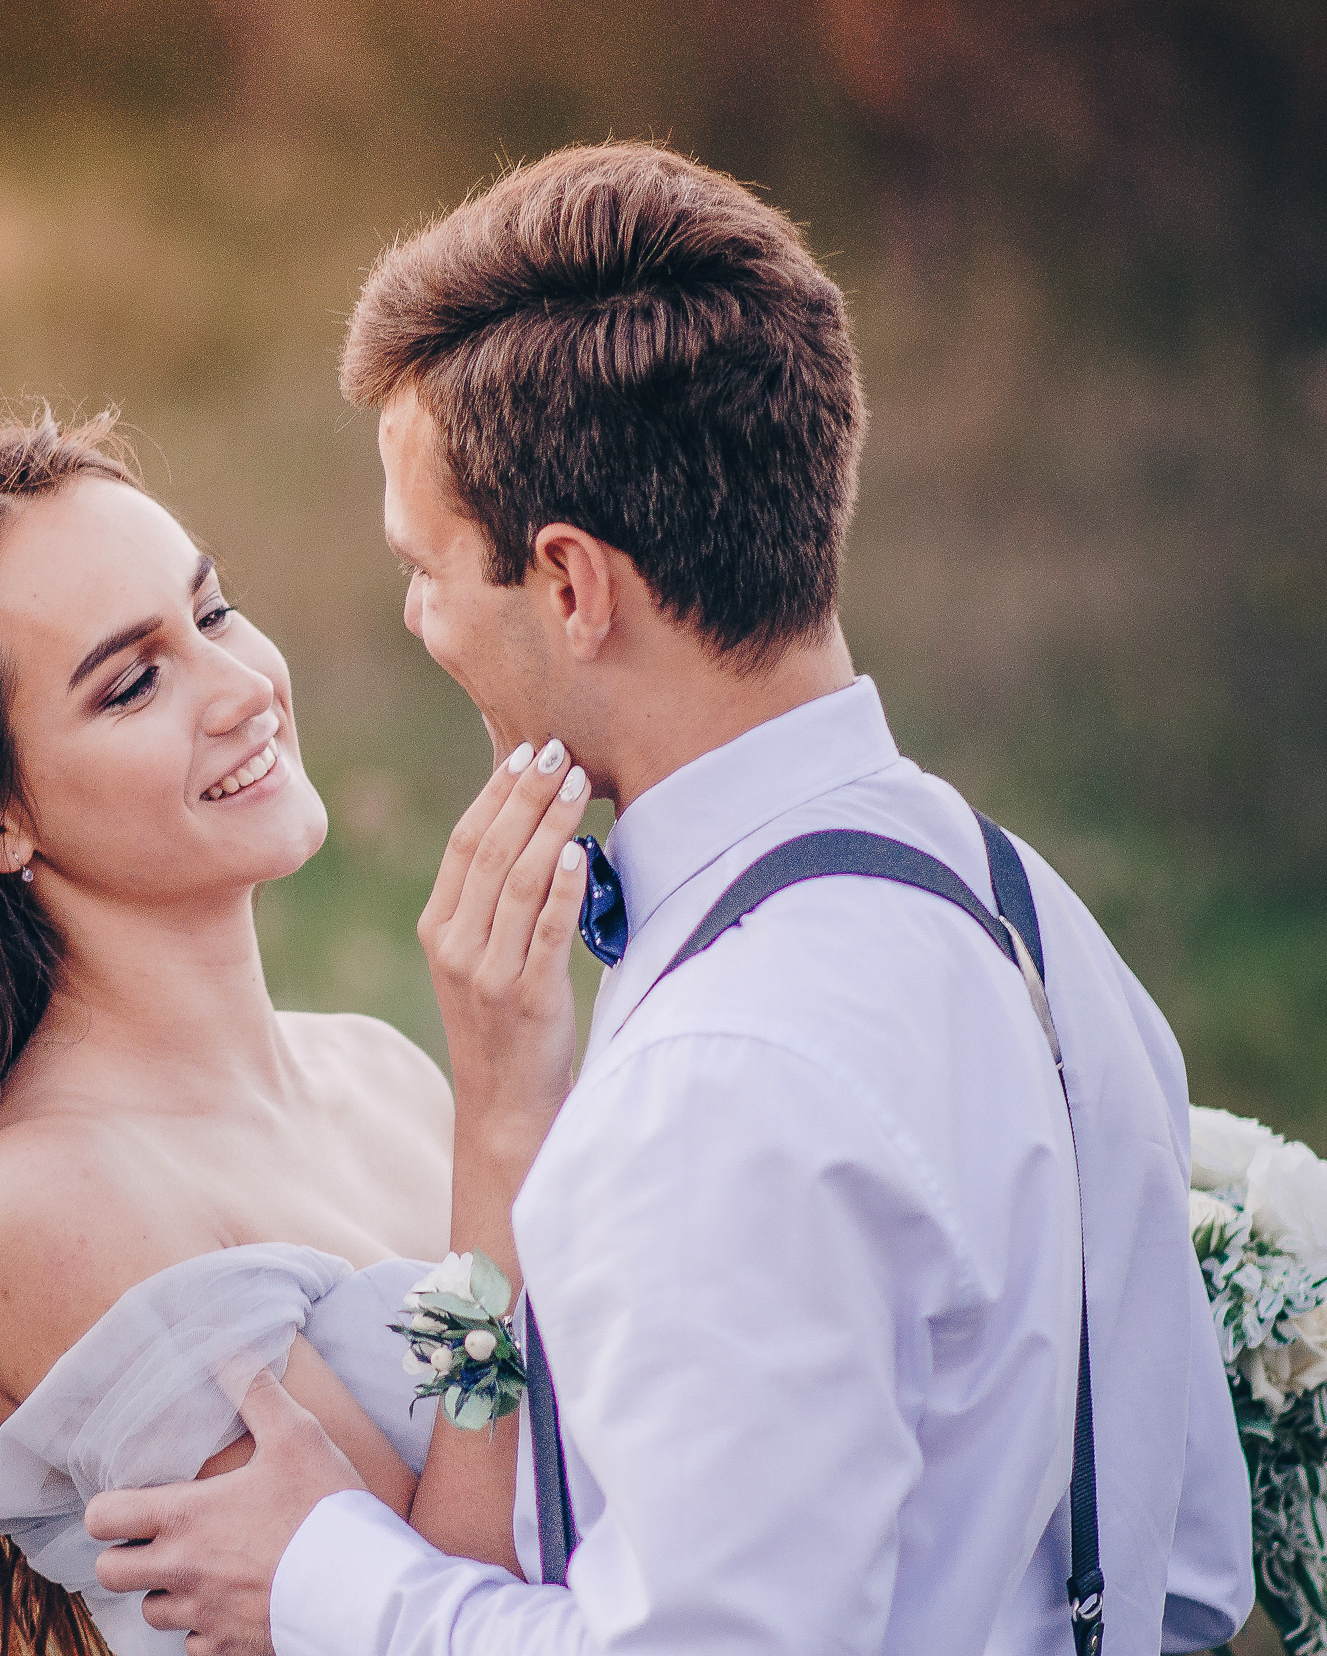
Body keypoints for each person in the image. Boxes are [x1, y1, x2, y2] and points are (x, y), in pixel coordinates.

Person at [83, 143, 1257, 1654]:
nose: (414, 618)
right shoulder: (1030, 917)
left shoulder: (723, 1080)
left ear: (572, 586)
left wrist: (322, 1577)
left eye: (427, 569)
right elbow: (1190, 1571)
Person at [0, 415, 579, 1656]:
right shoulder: (51, 1201)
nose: (245, 690)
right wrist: (506, 1133)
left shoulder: (379, 1069)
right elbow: (430, 1618)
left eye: (215, 612)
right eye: (133, 680)